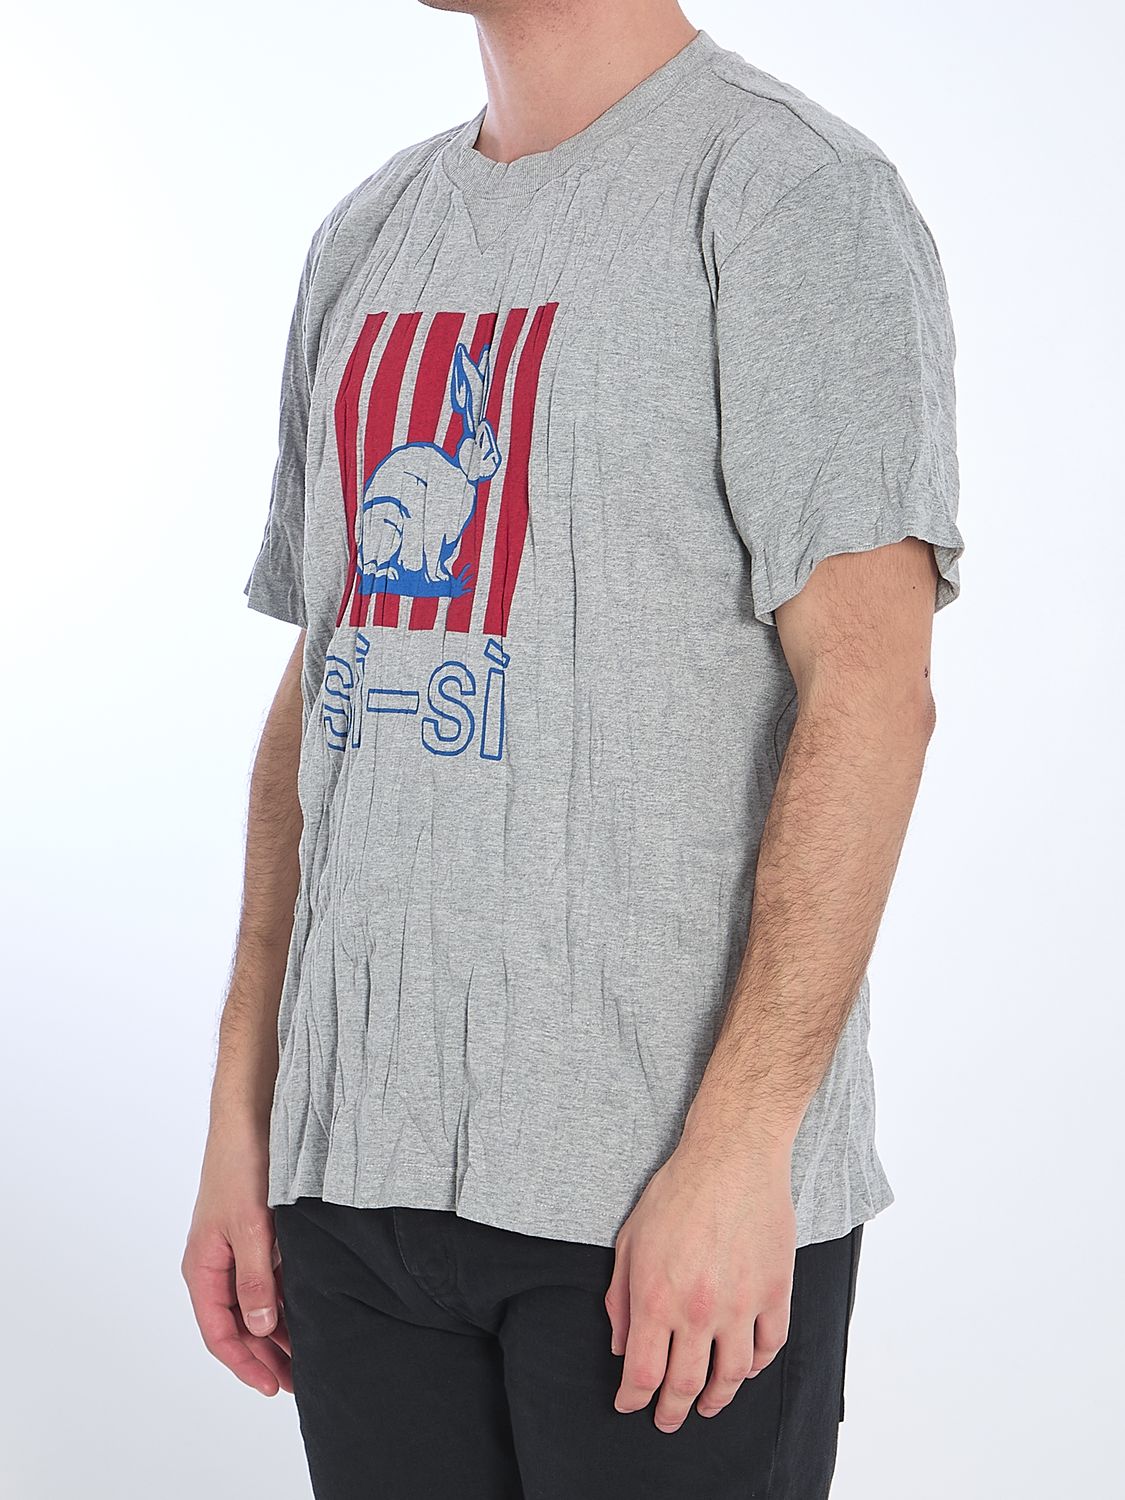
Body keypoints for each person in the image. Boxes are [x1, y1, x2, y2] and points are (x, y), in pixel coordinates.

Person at [181, 3, 964, 1496]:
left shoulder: (788, 195)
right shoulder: (369, 233)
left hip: (659, 1202)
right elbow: (330, 669)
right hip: (349, 1193)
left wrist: (742, 1152)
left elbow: (872, 693)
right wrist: (246, 1113)